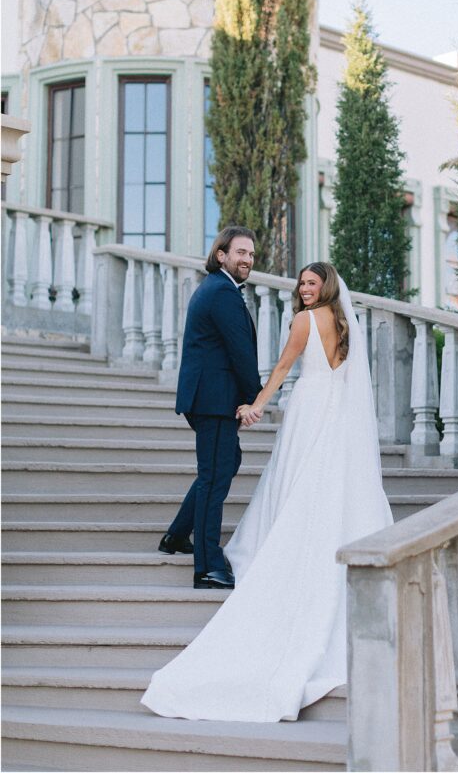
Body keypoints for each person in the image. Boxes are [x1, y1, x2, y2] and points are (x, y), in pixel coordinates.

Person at [142, 261, 393, 722]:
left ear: (326, 287)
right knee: (324, 480)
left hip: (310, 406)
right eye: (302, 283)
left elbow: (282, 367)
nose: (303, 288)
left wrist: (255, 406)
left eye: (311, 283)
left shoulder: (303, 319)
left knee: (296, 477)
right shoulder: (344, 322)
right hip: (339, 415)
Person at [157, 226, 262, 590]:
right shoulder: (221, 292)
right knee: (214, 478)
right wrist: (256, 399)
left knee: (223, 465)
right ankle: (207, 567)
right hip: (214, 400)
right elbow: (240, 352)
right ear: (222, 255)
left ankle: (176, 536)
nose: (247, 259)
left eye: (250, 254)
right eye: (240, 253)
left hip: (211, 397)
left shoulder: (220, 289)